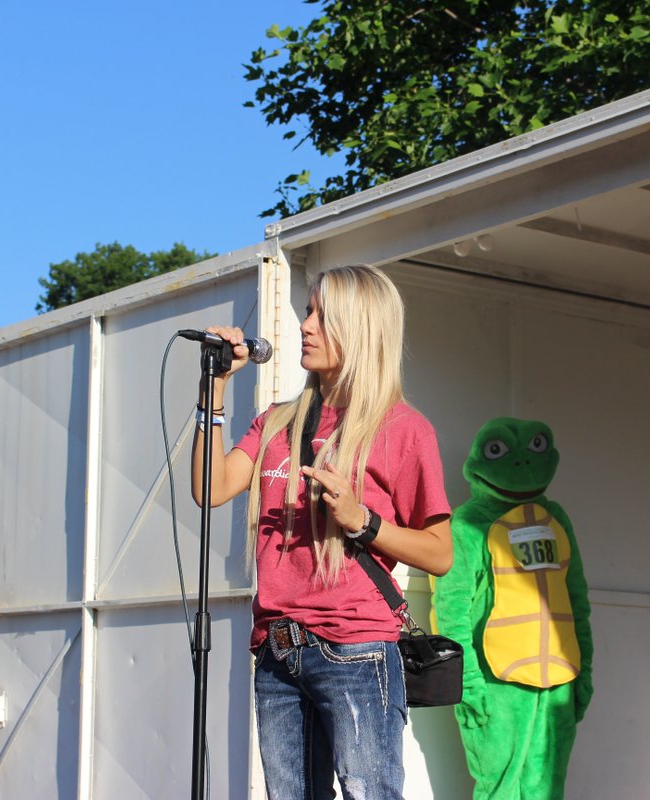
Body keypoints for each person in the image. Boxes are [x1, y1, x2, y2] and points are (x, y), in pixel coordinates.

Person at [191, 264, 453, 800]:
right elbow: (209, 488)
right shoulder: (277, 422)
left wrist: (365, 522)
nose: (306, 326)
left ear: (361, 328)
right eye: (308, 311)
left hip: (355, 649)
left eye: (321, 315)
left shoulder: (404, 429)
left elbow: (440, 553)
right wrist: (212, 387)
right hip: (278, 650)